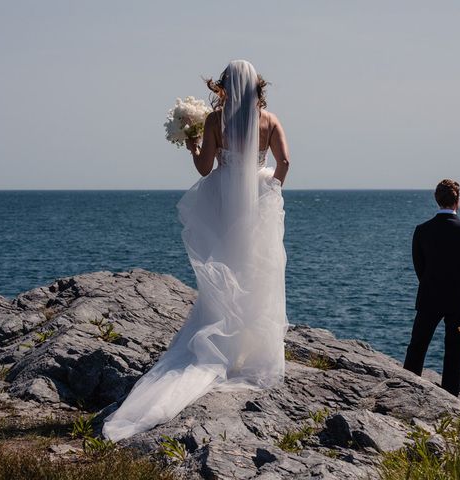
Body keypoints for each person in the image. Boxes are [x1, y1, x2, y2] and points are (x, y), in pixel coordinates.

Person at [102, 60, 290, 441]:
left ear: (223, 87)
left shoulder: (215, 122)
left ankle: (219, 345)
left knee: (223, 271)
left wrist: (192, 146)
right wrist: (269, 190)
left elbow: (205, 170)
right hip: (257, 206)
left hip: (222, 205)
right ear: (257, 87)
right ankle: (251, 353)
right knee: (257, 273)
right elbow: (284, 162)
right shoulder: (269, 120)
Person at [403, 179, 460, 396]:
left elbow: (419, 266)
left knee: (417, 346)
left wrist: (430, 283)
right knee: (455, 352)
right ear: (457, 200)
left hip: (429, 295)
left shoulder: (422, 230)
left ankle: (406, 389)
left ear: (437, 200)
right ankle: (450, 397)